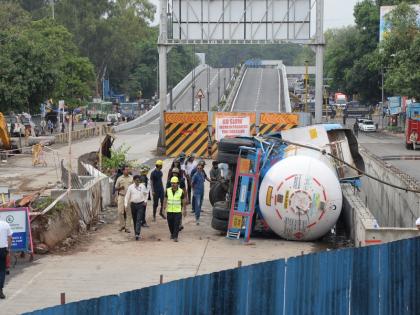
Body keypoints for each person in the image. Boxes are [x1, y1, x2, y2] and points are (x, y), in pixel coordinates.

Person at [125, 175, 149, 241]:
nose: (137, 182)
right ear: (134, 180)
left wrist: (145, 201)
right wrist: (126, 204)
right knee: (135, 219)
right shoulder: (130, 187)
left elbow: (146, 193)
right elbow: (127, 196)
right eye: (136, 180)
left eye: (138, 181)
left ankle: (137, 233)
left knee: (138, 219)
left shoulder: (142, 186)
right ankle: (136, 233)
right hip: (133, 205)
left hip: (141, 204)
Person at [163, 177, 186, 242]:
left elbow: (183, 201)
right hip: (169, 210)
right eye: (172, 183)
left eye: (174, 183)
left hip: (177, 211)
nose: (173, 184)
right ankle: (172, 234)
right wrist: (163, 208)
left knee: (176, 224)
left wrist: (184, 210)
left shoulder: (181, 191)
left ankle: (175, 237)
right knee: (170, 224)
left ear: (177, 184)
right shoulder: (167, 190)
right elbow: (165, 199)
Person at [114, 165, 133, 233]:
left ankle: (127, 228)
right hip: (121, 196)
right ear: (123, 171)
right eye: (126, 170)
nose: (128, 171)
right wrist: (120, 188)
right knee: (120, 212)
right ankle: (122, 225)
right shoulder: (119, 178)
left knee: (128, 212)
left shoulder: (131, 178)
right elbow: (115, 188)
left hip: (129, 197)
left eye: (128, 169)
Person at [0, 219, 12, 299]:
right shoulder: (5, 224)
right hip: (2, 250)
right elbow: (10, 237)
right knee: (1, 270)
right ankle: (0, 291)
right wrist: (8, 248)